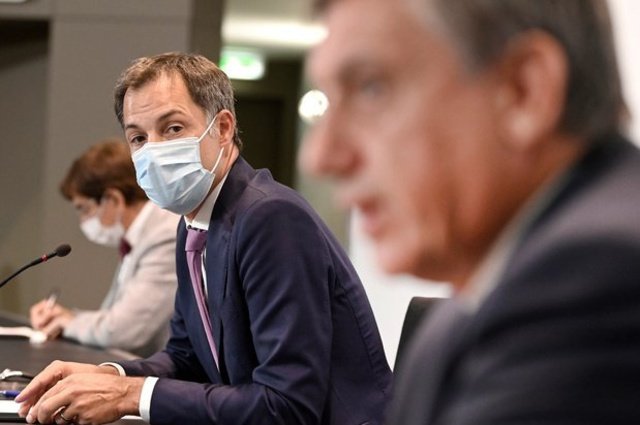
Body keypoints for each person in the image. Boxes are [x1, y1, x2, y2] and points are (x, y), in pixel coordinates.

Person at [299, 0, 640, 424]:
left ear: (523, 90)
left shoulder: (597, 282)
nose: (320, 157)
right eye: (329, 101)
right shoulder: (470, 308)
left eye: (372, 88)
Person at [17, 52, 392, 425]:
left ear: (223, 128)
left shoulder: (271, 217)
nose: (153, 150)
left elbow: (287, 406)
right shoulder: (194, 222)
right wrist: (109, 376)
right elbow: (187, 357)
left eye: (173, 128)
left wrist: (129, 395)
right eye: (138, 138)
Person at [29, 140, 179, 357]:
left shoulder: (165, 236)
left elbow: (123, 331)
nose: (83, 220)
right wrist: (63, 317)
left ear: (113, 199)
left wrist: (67, 323)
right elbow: (114, 316)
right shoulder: (140, 236)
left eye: (84, 209)